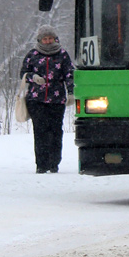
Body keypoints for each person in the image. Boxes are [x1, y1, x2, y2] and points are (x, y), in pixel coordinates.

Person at [20, 24, 74, 174]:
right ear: (40, 40)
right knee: (40, 131)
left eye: (50, 38)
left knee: (56, 131)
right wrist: (33, 77)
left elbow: (69, 74)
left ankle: (54, 163)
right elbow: (23, 73)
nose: (48, 41)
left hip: (57, 100)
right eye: (45, 38)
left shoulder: (62, 54)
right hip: (36, 100)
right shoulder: (32, 55)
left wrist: (71, 93)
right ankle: (41, 164)